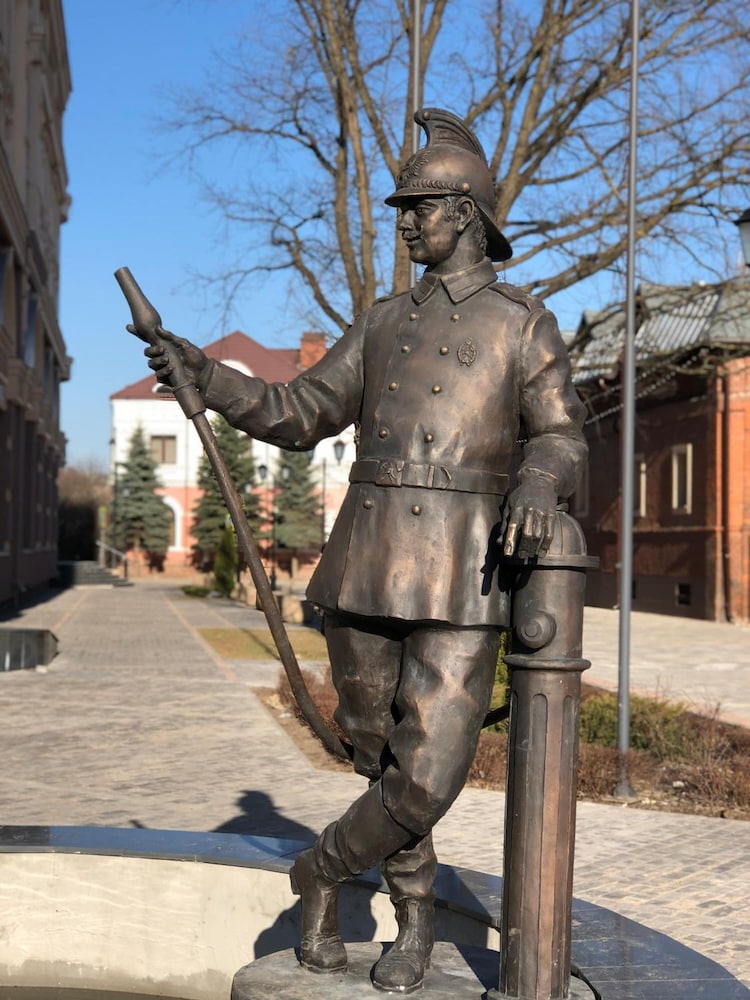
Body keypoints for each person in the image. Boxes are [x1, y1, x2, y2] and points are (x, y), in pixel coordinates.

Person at [146, 107, 586, 994]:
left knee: (426, 777)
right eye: (403, 208)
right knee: (380, 758)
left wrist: (539, 485)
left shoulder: (522, 323)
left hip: (465, 569)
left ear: (464, 211)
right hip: (368, 562)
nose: (405, 222)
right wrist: (209, 375)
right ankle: (414, 919)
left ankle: (319, 870)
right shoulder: (383, 322)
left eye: (419, 207)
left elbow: (561, 434)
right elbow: (299, 410)